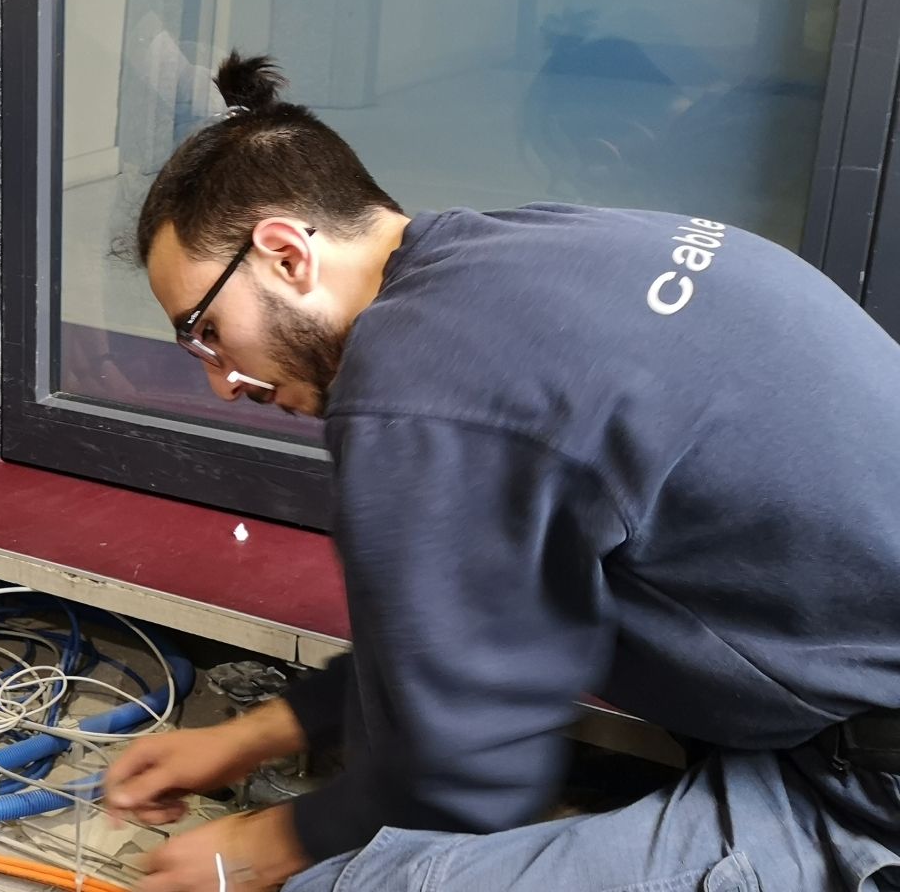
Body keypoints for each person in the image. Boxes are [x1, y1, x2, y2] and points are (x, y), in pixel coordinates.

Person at [104, 53, 900, 890]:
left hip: (864, 788)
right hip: (838, 701)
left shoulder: (417, 389)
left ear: (284, 253)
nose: (222, 381)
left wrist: (253, 851)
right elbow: (467, 635)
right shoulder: (517, 252)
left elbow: (467, 782)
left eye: (205, 331)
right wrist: (249, 736)